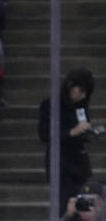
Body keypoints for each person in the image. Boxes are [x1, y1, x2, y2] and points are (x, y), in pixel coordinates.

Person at [39, 69, 98, 211]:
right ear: (71, 86)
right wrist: (72, 132)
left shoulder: (81, 106)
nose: (82, 96)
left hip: (79, 162)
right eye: (81, 91)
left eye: (86, 94)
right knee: (63, 204)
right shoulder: (50, 105)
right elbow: (44, 134)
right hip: (61, 162)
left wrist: (88, 132)